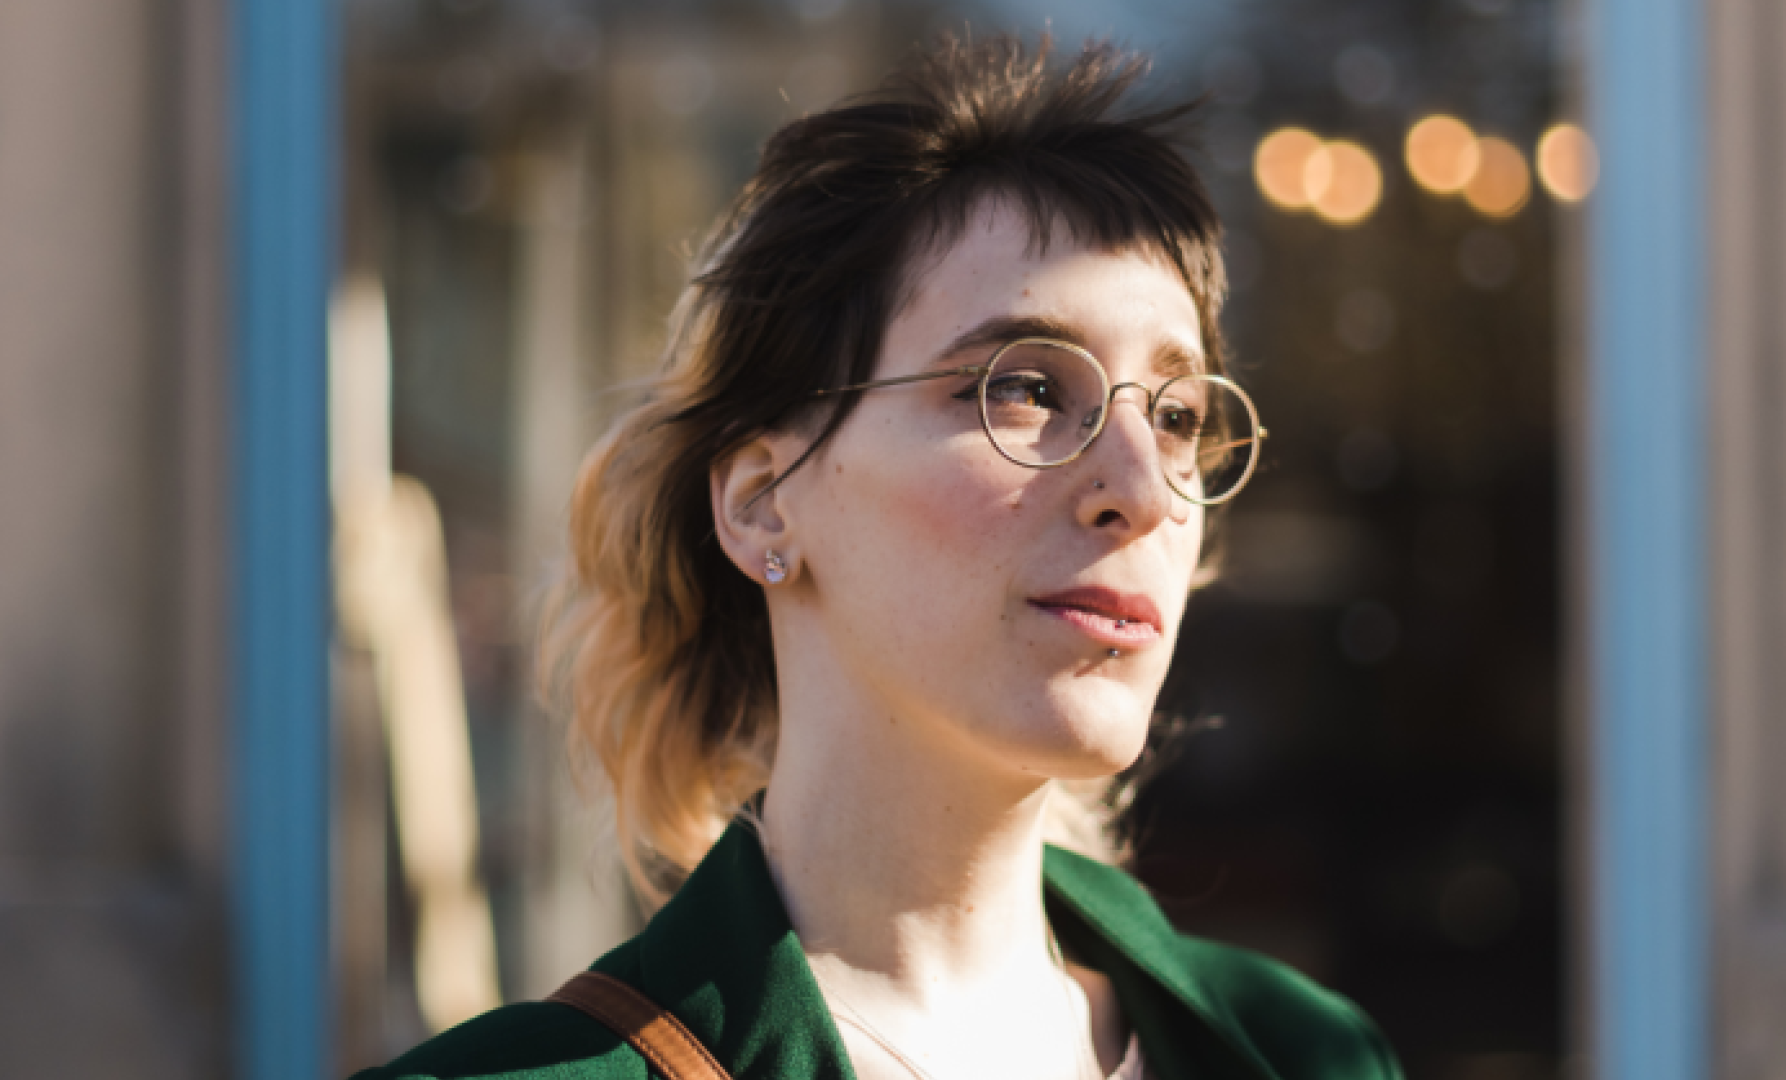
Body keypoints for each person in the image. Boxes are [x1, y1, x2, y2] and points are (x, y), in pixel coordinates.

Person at [353, 33, 1400, 1080]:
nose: (1139, 488)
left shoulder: (1308, 1053)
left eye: (1175, 415)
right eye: (1023, 390)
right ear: (764, 504)